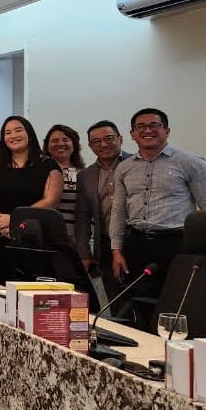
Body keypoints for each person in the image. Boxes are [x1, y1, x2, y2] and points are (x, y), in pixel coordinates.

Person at [110, 108, 206, 316]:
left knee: (175, 303)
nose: (147, 130)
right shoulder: (124, 168)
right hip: (136, 243)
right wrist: (116, 251)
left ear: (167, 130)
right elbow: (118, 211)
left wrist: (205, 254)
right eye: (140, 127)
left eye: (155, 125)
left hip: (175, 243)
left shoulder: (191, 163)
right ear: (132, 134)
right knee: (136, 303)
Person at [0, 116, 63, 283]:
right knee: (0, 288)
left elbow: (51, 200)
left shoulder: (47, 165)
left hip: (36, 240)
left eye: (18, 130)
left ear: (29, 133)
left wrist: (14, 220)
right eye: (7, 132)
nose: (13, 136)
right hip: (0, 236)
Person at [74, 120, 133, 297]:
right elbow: (83, 218)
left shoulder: (137, 165)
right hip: (106, 246)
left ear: (120, 139)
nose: (104, 144)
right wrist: (84, 254)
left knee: (143, 298)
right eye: (96, 141)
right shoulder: (85, 176)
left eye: (109, 138)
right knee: (115, 299)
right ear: (90, 146)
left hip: (136, 241)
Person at [45, 124, 85, 240]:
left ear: (74, 144)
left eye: (65, 140)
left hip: (73, 238)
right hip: (41, 236)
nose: (60, 144)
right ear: (47, 146)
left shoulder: (84, 174)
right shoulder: (38, 172)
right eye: (55, 141)